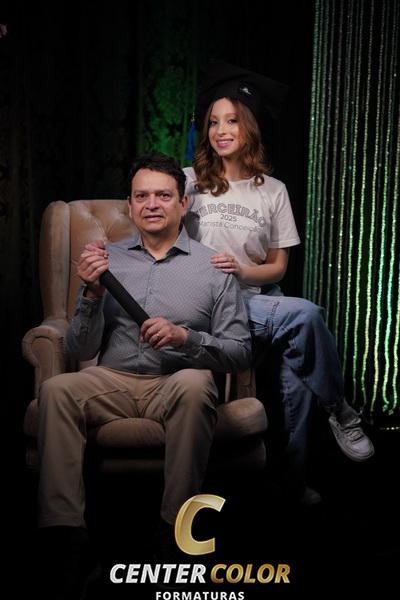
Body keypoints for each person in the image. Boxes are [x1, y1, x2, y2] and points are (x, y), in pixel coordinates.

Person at [36, 152, 251, 597]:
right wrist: (92, 294)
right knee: (57, 389)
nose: (152, 204)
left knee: (196, 382)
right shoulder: (103, 261)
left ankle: (174, 530)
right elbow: (79, 349)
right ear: (131, 206)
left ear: (182, 204)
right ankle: (67, 539)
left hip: (176, 382)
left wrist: (186, 338)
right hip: (112, 380)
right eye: (142, 196)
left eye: (163, 196)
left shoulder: (214, 268)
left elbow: (240, 352)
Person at [184, 61, 374, 505]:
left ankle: (292, 481)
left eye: (232, 120)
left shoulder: (272, 190)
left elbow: (277, 267)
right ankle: (341, 409)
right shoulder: (189, 182)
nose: (221, 131)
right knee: (305, 314)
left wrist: (240, 271)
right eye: (213, 122)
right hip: (208, 307)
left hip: (256, 300)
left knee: (297, 372)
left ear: (249, 127)